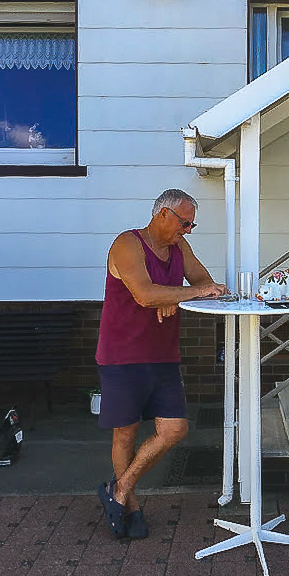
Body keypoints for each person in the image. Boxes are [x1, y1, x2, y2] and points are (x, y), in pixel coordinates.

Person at [95, 188, 227, 539]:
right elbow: (145, 294)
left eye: (192, 225)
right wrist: (175, 294)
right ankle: (130, 507)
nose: (188, 230)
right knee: (125, 433)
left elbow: (206, 283)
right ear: (162, 215)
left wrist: (173, 296)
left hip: (163, 355)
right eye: (185, 223)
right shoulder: (128, 244)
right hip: (122, 355)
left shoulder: (179, 249)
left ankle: (118, 490)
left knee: (174, 429)